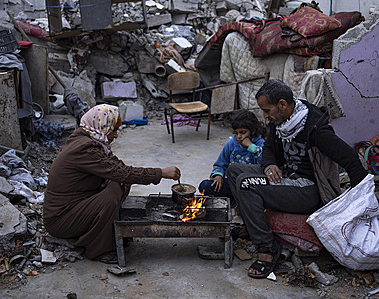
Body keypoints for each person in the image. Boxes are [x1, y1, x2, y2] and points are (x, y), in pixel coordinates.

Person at [227, 79, 367, 279]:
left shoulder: (316, 130)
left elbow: (352, 160)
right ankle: (253, 226)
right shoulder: (280, 122)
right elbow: (268, 149)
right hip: (284, 176)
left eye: (267, 110)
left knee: (246, 184)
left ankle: (266, 247)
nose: (264, 116)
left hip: (307, 190)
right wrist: (269, 165)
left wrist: (358, 205)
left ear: (282, 104)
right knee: (234, 170)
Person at [43, 104, 180, 264]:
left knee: (119, 184)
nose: (115, 135)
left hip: (75, 206)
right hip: (60, 219)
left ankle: (108, 230)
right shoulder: (85, 149)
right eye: (112, 130)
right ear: (102, 127)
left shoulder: (88, 139)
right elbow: (123, 173)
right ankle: (98, 249)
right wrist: (161, 173)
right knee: (112, 195)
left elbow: (117, 168)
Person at [198, 110, 265, 201]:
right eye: (236, 133)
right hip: (233, 184)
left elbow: (264, 164)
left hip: (252, 185)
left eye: (243, 132)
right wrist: (218, 175)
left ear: (253, 131)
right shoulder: (232, 143)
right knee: (205, 186)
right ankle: (235, 199)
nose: (239, 136)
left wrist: (252, 147)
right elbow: (220, 164)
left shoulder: (260, 143)